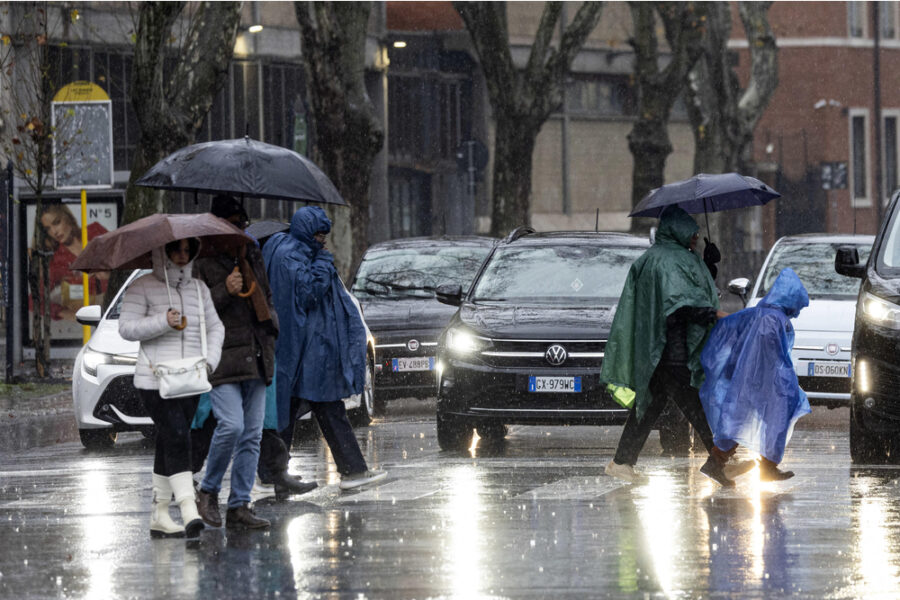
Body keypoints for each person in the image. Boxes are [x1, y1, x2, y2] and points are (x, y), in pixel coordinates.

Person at [600, 205, 738, 487]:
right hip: (673, 352)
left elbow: (686, 291)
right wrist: (712, 314)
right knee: (699, 407)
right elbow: (679, 306)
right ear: (677, 229)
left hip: (655, 351)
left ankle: (622, 462)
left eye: (698, 234)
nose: (696, 238)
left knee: (648, 408)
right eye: (692, 233)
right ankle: (720, 462)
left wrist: (707, 265)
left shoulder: (658, 258)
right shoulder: (670, 261)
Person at [190, 204, 316, 498]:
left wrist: (271, 327)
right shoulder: (203, 260)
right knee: (219, 425)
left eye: (242, 222)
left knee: (257, 430)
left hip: (256, 353)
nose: (240, 228)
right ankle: (191, 480)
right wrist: (225, 290)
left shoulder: (251, 253)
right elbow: (196, 310)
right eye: (233, 222)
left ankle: (248, 498)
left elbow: (266, 296)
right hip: (222, 357)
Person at [263, 206, 386, 490]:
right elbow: (307, 294)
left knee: (294, 410)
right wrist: (321, 263)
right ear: (308, 233)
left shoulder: (290, 250)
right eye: (320, 234)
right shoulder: (294, 255)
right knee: (322, 408)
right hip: (308, 351)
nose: (324, 240)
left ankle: (273, 474)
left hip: (306, 350)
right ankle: (350, 471)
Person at [118, 237, 224, 539]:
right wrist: (162, 321)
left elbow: (216, 327)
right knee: (178, 434)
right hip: (153, 380)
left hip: (190, 378)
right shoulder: (142, 286)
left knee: (170, 439)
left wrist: (210, 362)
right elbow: (126, 328)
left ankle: (160, 514)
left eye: (188, 250)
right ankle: (189, 508)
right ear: (161, 251)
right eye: (176, 249)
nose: (182, 255)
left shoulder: (199, 289)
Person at [700, 268, 811, 481]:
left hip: (749, 379)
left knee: (738, 419)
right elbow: (771, 355)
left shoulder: (762, 312)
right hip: (763, 380)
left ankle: (718, 461)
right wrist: (783, 382)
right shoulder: (773, 318)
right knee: (774, 416)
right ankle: (766, 466)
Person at [35, 203, 108, 321]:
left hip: (117, 308)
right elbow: (34, 298)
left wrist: (109, 272)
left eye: (56, 222)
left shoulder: (95, 231)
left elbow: (122, 258)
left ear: (67, 218)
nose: (54, 231)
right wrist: (61, 312)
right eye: (48, 229)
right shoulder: (57, 261)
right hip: (89, 318)